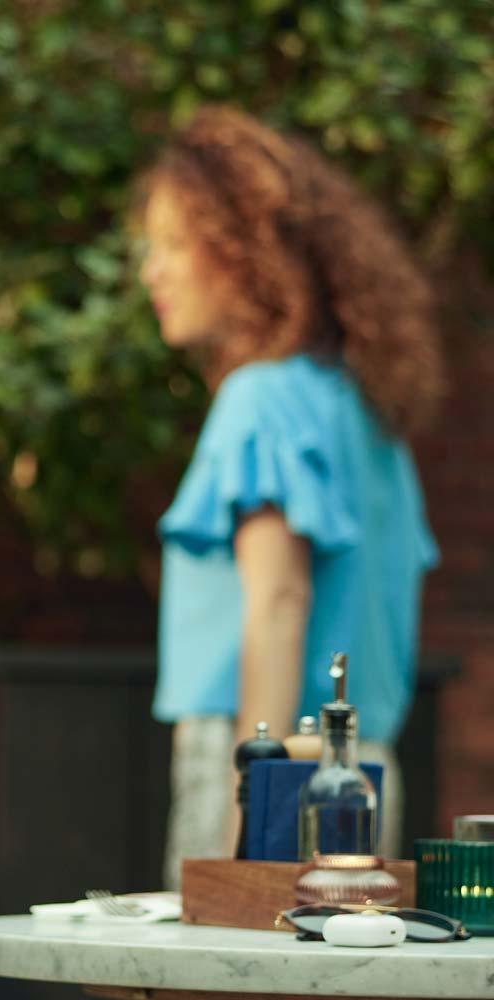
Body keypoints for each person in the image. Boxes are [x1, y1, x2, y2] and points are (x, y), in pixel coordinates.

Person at [136, 107, 441, 882]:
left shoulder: (260, 401)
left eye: (174, 243)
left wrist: (254, 819)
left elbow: (278, 604)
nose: (152, 271)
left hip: (270, 771)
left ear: (244, 251)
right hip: (365, 771)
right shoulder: (369, 413)